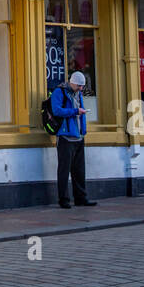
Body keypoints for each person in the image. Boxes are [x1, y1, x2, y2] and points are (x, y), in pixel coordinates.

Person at [51, 71, 96, 209]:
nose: (81, 88)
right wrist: (76, 111)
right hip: (65, 137)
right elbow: (56, 111)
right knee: (64, 170)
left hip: (78, 136)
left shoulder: (79, 93)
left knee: (79, 170)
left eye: (82, 86)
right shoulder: (59, 92)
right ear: (72, 82)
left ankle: (81, 198)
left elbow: (79, 114)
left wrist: (83, 130)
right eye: (79, 85)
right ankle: (63, 199)